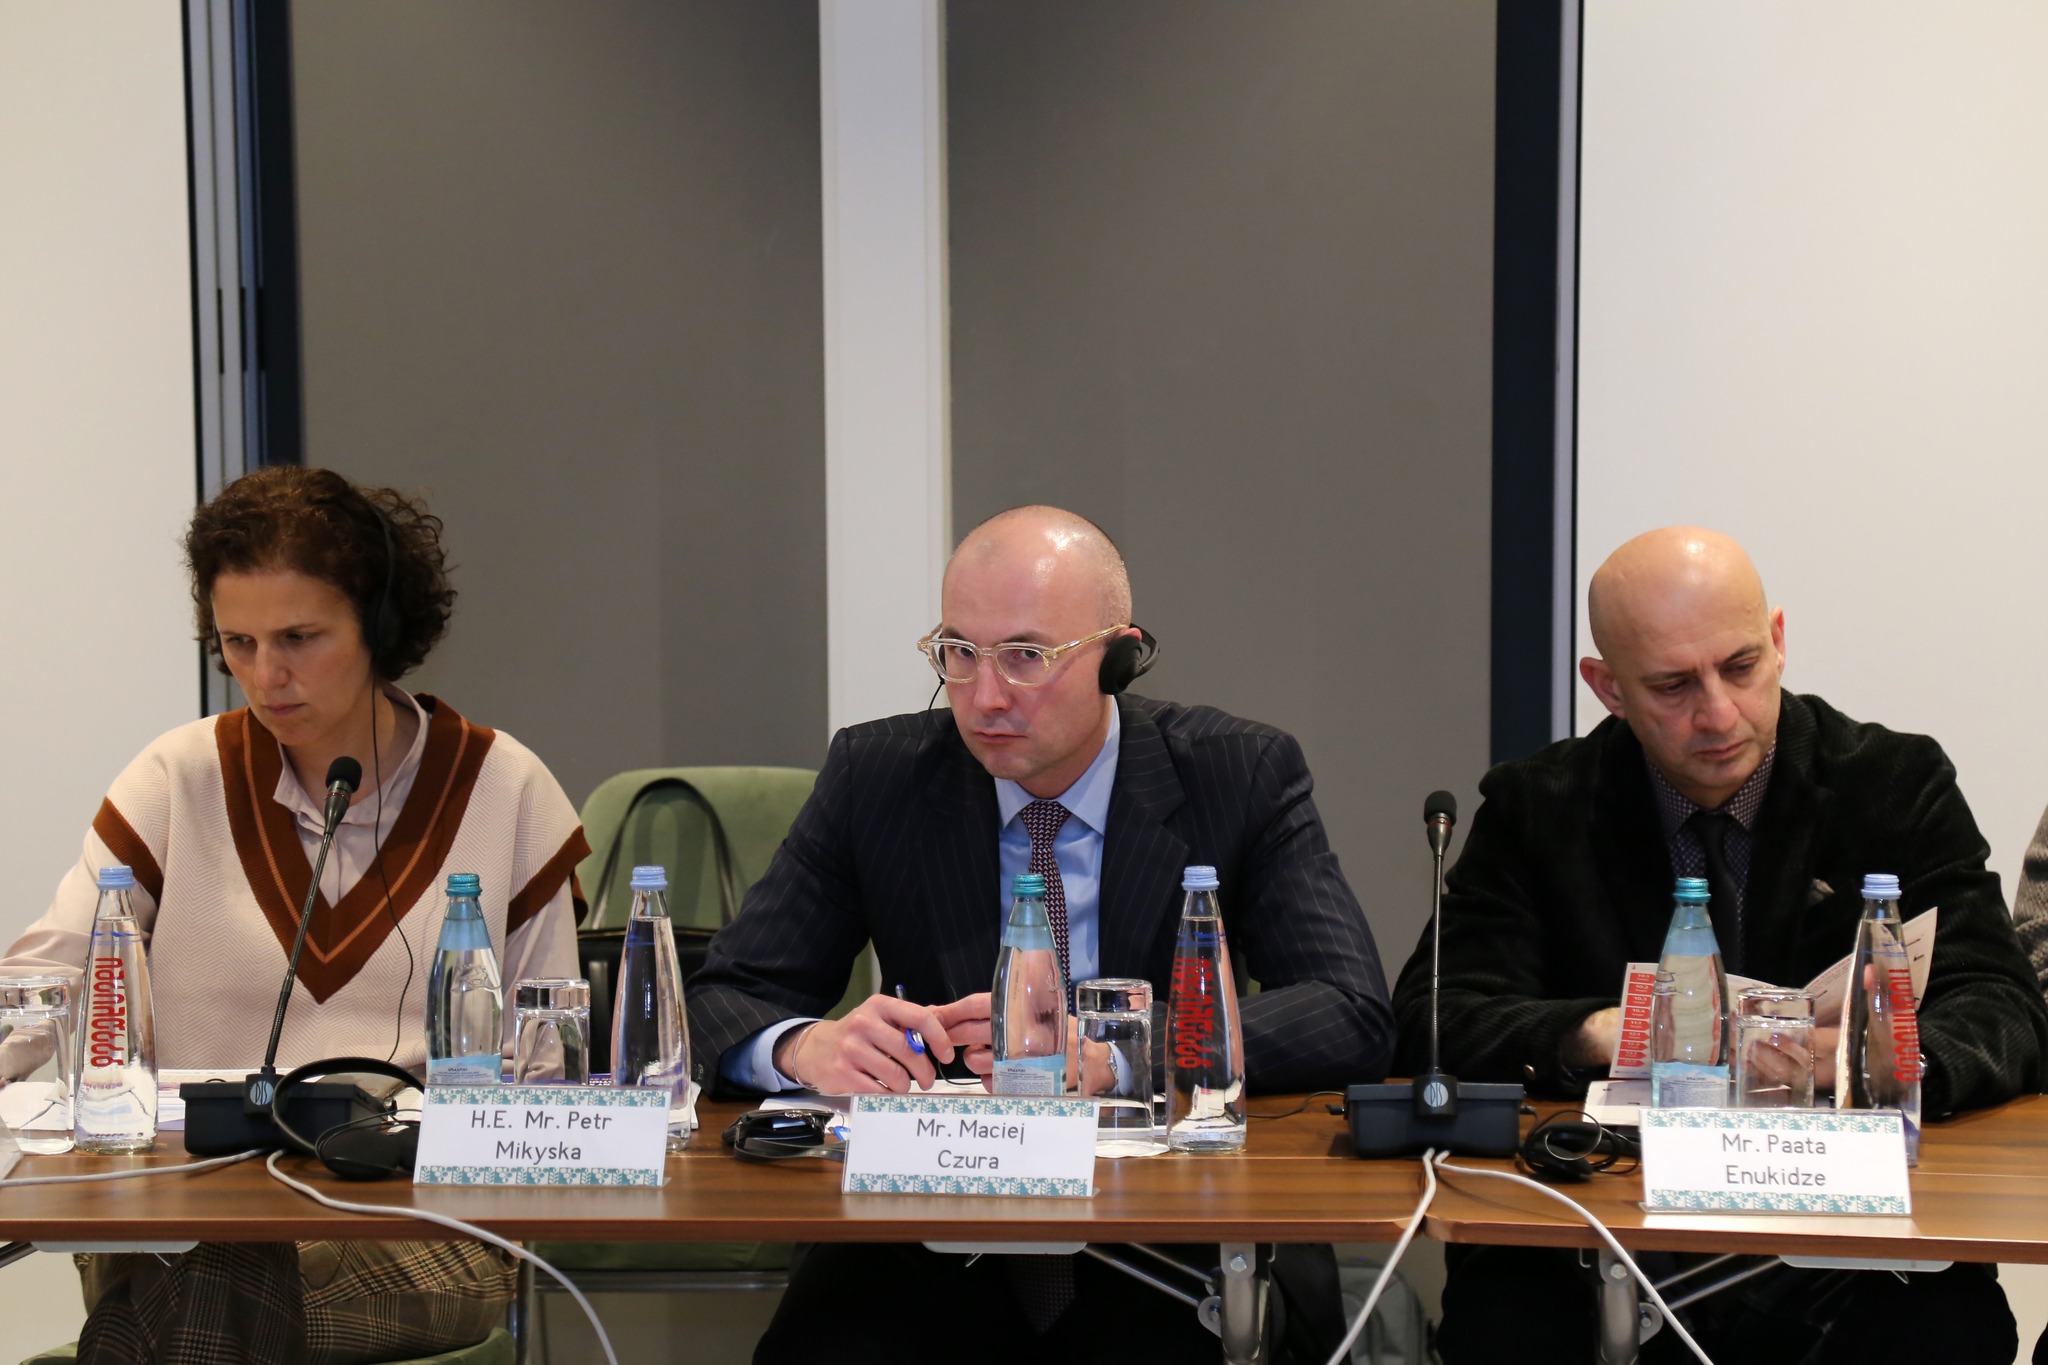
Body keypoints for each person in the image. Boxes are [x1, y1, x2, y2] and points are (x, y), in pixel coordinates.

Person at [689, 505, 1394, 1364]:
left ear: (1120, 657)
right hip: (931, 1233)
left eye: (1026, 656)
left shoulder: (1237, 772)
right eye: (959, 652)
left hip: (1170, 1233)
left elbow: (1350, 1010)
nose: (985, 696)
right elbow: (722, 998)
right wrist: (807, 1047)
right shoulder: (877, 776)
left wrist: (1120, 1051)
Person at [1394, 526, 2048, 1364]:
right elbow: (1433, 1016)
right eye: (1672, 685)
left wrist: (1857, 1052)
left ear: (1777, 641)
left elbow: (2004, 1006)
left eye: (1740, 667)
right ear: (1607, 687)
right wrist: (1609, 1031)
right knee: (1504, 1319)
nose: (1718, 714)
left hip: (1838, 1236)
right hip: (1607, 1220)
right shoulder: (1538, 807)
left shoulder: (1892, 782)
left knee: (1946, 1327)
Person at [0, 467, 588, 1364]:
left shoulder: (505, 788)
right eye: (237, 642)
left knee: (204, 1285)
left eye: (299, 638)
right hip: (184, 1202)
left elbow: (549, 1070)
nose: (265, 676)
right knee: (214, 1263)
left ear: (379, 626)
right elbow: (42, 987)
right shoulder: (176, 778)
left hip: (422, 1226)